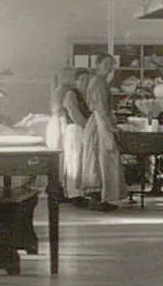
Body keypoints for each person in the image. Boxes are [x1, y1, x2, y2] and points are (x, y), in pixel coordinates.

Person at [78, 53, 127, 211]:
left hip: (99, 121)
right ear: (97, 64)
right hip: (100, 122)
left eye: (111, 64)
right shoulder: (98, 82)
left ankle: (101, 197)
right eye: (106, 64)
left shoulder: (99, 82)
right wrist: (110, 127)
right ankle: (107, 198)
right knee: (107, 158)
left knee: (97, 162)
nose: (109, 67)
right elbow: (100, 108)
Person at [46, 67, 88, 205]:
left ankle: (75, 192)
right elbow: (73, 113)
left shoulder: (84, 95)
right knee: (74, 162)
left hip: (80, 130)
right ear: (76, 81)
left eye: (88, 80)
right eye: (82, 80)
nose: (85, 83)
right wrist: (88, 127)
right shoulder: (71, 93)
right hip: (75, 130)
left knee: (78, 162)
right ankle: (74, 195)